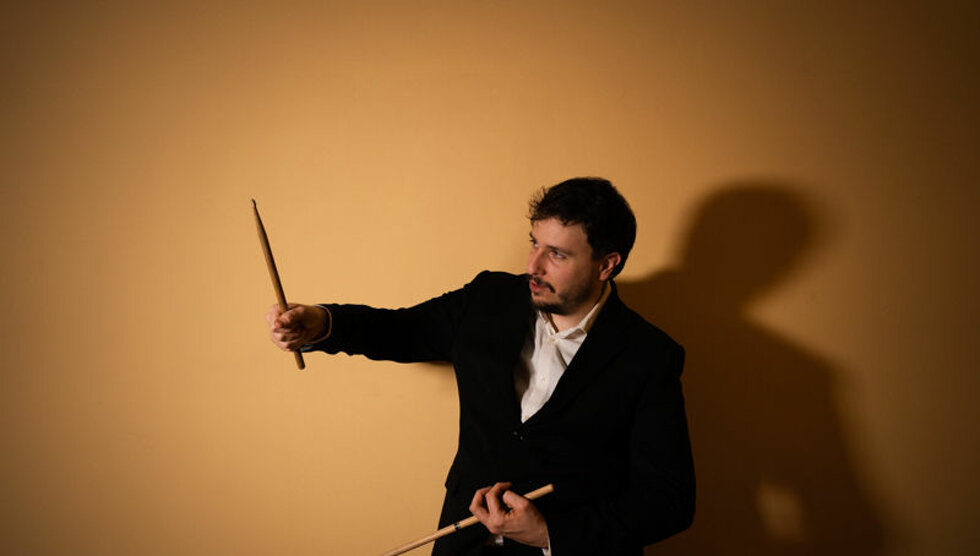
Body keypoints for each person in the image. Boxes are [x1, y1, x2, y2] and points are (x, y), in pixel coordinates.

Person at [266, 177, 695, 555]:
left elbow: (668, 500)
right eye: (534, 243)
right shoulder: (488, 298)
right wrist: (322, 323)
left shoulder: (649, 356)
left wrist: (550, 534)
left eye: (557, 254)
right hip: (463, 546)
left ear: (607, 265)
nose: (532, 266)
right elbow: (402, 330)